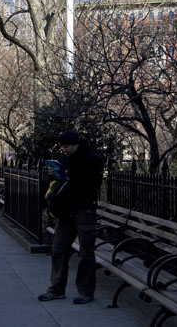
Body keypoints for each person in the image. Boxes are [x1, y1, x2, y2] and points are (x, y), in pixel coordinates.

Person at [38, 129, 105, 305]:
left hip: (84, 209)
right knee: (59, 250)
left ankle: (85, 292)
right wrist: (56, 175)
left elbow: (91, 185)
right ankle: (56, 289)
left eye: (66, 146)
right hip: (65, 210)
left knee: (86, 252)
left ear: (76, 144)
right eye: (62, 147)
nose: (64, 150)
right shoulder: (65, 160)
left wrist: (69, 176)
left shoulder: (92, 160)